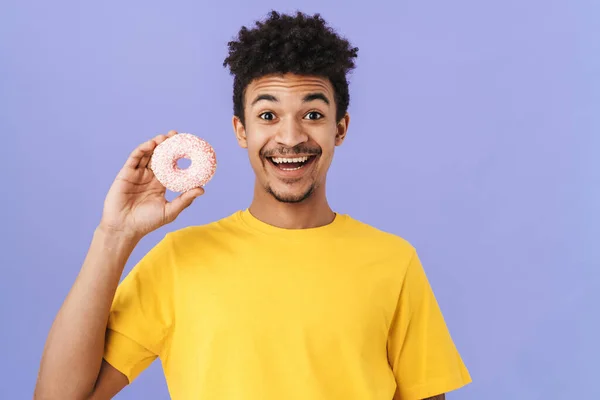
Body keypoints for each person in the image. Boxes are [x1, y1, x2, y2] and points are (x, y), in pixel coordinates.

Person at [34, 10, 471, 400]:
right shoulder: (178, 261)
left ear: (340, 129)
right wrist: (114, 235)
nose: (290, 136)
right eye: (267, 115)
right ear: (241, 131)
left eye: (313, 114)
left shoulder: (393, 262)